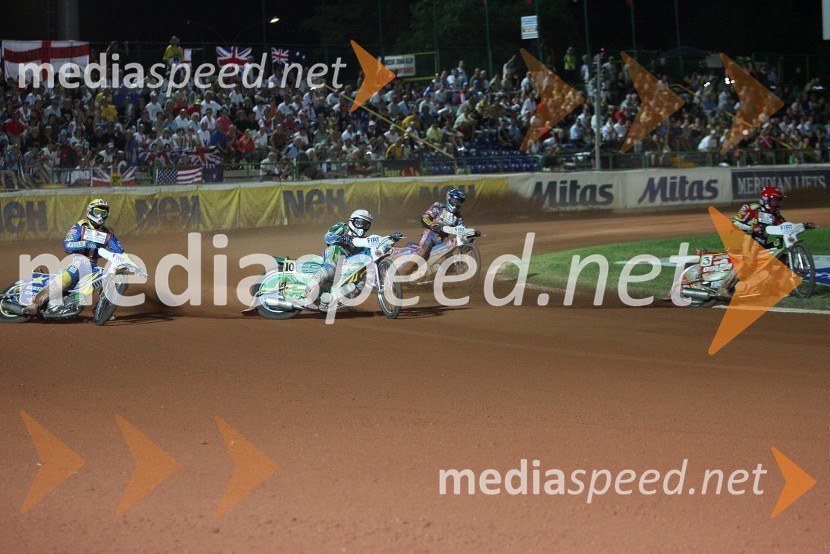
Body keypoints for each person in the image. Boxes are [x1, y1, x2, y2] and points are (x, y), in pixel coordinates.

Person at [24, 199, 124, 315]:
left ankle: (101, 310)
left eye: (104, 213)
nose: (100, 216)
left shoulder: (108, 234)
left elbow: (119, 251)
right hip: (78, 261)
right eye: (97, 212)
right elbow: (67, 245)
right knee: (72, 273)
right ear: (90, 212)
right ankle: (35, 303)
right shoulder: (81, 226)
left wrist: (127, 262)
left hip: (93, 266)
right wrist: (84, 243)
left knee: (110, 277)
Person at [302, 209, 375, 307]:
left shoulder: (363, 240)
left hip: (348, 264)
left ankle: (332, 299)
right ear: (352, 221)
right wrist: (341, 239)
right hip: (336, 252)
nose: (362, 227)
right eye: (360, 223)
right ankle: (307, 292)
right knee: (330, 270)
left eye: (365, 225)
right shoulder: (343, 227)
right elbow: (327, 237)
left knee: (361, 284)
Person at [415, 188, 466, 260]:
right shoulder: (439, 206)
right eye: (455, 201)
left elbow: (462, 229)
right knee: (424, 252)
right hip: (429, 235)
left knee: (448, 259)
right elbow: (425, 218)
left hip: (440, 241)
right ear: (449, 198)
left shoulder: (458, 217)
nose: (456, 205)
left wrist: (471, 232)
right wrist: (432, 225)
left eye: (459, 203)